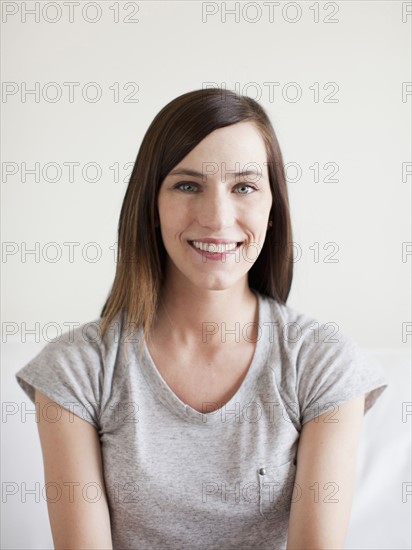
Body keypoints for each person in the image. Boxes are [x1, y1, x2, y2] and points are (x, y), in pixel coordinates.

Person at [16, 88, 388, 549]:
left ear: (273, 209)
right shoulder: (74, 371)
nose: (217, 217)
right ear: (151, 205)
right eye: (187, 185)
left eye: (244, 187)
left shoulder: (323, 364)